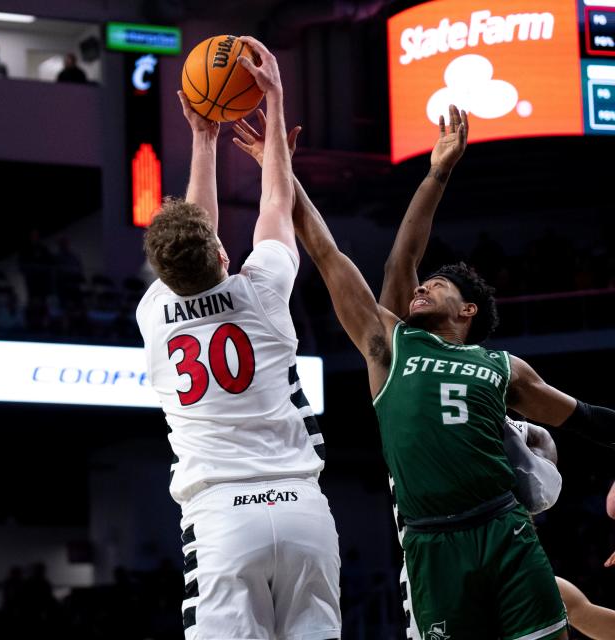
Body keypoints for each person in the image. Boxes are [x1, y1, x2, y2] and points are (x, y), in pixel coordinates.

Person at [262, 94, 615, 636]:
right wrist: (282, 173)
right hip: (429, 541)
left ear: (467, 310)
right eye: (424, 283)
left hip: (504, 529)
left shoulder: (504, 367)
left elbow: (587, 420)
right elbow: (330, 253)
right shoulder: (389, 343)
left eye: (440, 285)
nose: (422, 286)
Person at [136, 36, 340, 639]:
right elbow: (278, 199)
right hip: (302, 506)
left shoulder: (154, 311)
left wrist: (203, 140)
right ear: (223, 252)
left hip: (222, 515)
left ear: (163, 275)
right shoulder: (263, 291)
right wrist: (273, 100)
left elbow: (198, 234)